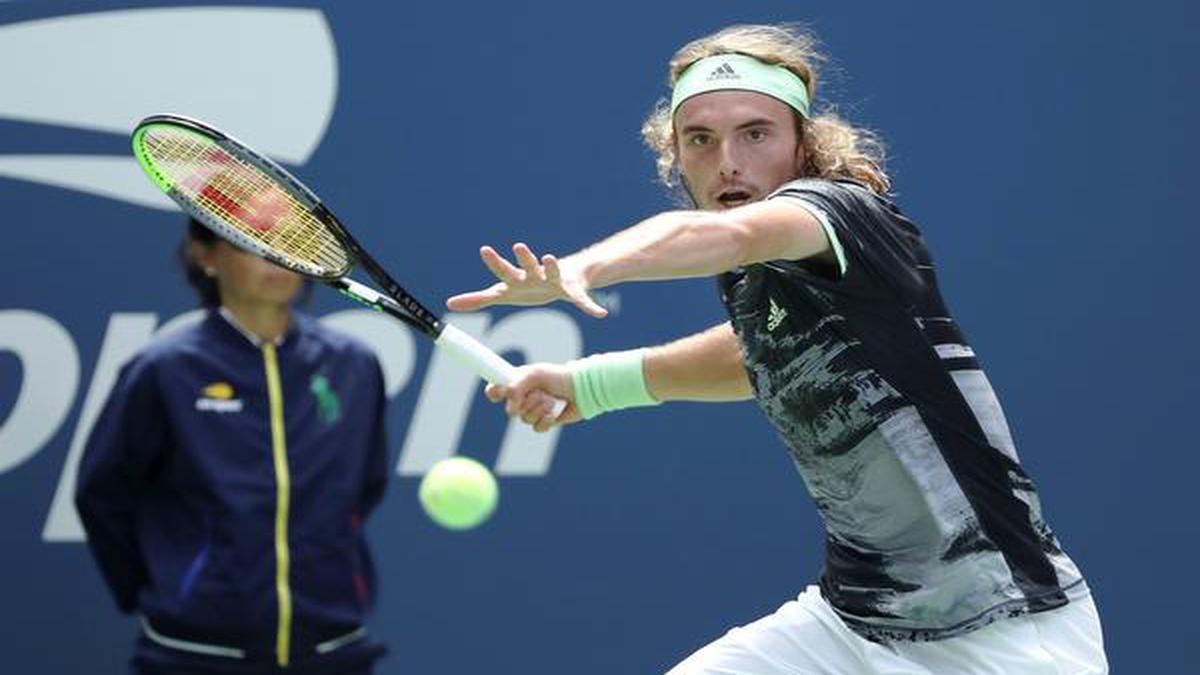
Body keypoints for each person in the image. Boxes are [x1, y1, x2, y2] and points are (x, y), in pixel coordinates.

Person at [447, 23, 1109, 674]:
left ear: (802, 143)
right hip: (852, 623)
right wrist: (593, 384)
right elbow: (759, 356)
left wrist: (585, 268)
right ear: (675, 153)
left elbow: (733, 236)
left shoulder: (840, 213)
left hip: (1009, 630)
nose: (727, 160)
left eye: (755, 133)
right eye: (700, 140)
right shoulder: (751, 280)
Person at [76, 218, 390, 674]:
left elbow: (364, 487)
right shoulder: (164, 368)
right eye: (252, 241)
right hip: (195, 657)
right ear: (205, 255)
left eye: (288, 240)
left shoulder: (354, 365)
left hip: (333, 651)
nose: (275, 255)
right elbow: (103, 496)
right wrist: (176, 589)